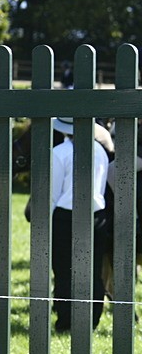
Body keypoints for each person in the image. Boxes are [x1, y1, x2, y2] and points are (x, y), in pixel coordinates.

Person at [49, 116, 110, 332]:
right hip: (96, 217)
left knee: (64, 271)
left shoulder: (59, 153)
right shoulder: (100, 151)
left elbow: (53, 194)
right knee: (93, 272)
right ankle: (92, 321)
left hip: (66, 218)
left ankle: (66, 322)